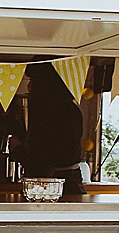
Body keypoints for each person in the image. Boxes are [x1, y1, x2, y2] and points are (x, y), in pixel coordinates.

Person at [9, 61, 86, 194]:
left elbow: (39, 164)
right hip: (71, 186)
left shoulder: (49, 113)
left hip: (53, 189)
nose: (28, 86)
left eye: (33, 81)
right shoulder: (71, 109)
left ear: (44, 85)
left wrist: (17, 149)